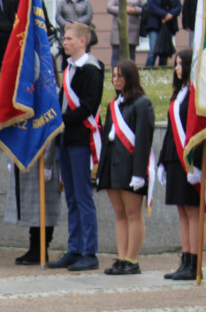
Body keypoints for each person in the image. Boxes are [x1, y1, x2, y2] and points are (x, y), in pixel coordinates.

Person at [51, 23, 103, 271]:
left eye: (69, 38)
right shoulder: (68, 67)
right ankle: (74, 248)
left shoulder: (91, 69)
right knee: (70, 196)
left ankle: (89, 251)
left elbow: (88, 107)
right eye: (64, 38)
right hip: (65, 138)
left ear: (82, 41)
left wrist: (60, 121)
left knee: (83, 196)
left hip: (81, 139)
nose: (65, 42)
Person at [97, 60, 154, 275]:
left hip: (131, 168)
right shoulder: (115, 104)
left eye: (121, 75)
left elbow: (143, 142)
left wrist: (139, 173)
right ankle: (122, 257)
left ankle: (132, 259)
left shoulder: (142, 103)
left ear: (130, 77)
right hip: (112, 167)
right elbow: (106, 137)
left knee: (133, 214)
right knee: (119, 214)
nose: (116, 79)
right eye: (114, 75)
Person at [159, 49, 200, 280]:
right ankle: (185, 259)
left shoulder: (196, 94)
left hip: (190, 160)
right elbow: (169, 130)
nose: (176, 68)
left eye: (180, 64)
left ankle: (195, 262)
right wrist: (163, 161)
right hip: (175, 158)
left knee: (192, 211)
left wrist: (198, 164)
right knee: (181, 210)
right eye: (175, 65)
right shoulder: (179, 94)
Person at [144, 0, 181, 68]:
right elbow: (151, 5)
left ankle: (163, 69)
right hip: (155, 25)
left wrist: (171, 15)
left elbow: (178, 6)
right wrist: (164, 14)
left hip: (168, 26)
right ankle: (147, 69)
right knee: (153, 50)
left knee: (165, 50)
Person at [56, 0, 94, 72]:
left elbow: (89, 14)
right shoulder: (63, 2)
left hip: (80, 32)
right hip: (66, 31)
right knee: (66, 57)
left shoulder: (85, 1)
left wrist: (79, 23)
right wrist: (65, 24)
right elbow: (58, 15)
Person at [107, 0, 144, 68]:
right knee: (116, 55)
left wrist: (134, 10)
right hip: (118, 29)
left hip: (132, 29)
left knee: (131, 55)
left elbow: (145, 9)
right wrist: (123, 9)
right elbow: (109, 7)